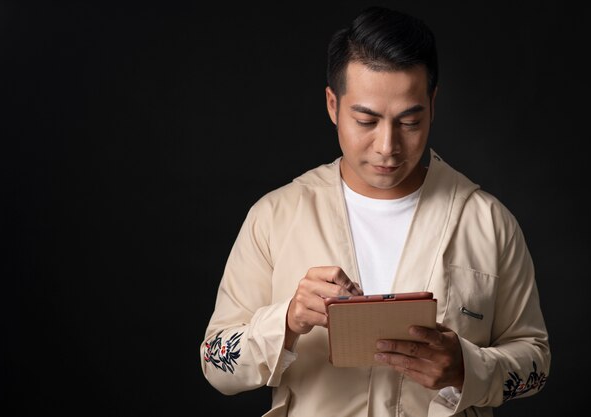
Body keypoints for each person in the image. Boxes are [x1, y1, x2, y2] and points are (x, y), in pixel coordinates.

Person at [200, 5, 550, 417]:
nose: (387, 146)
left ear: (433, 106)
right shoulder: (275, 216)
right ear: (333, 105)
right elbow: (214, 363)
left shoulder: (489, 223)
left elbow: (536, 364)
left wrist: (466, 367)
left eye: (409, 121)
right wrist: (288, 321)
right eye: (366, 120)